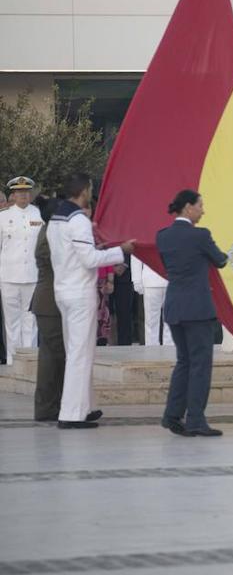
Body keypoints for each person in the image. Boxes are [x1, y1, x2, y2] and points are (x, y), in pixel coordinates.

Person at [48, 173, 136, 429]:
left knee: (78, 350)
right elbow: (89, 260)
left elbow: (77, 255)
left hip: (63, 289)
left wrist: (102, 249)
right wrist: (122, 251)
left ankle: (86, 406)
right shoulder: (77, 221)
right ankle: (71, 414)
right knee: (80, 353)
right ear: (84, 191)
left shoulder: (56, 219)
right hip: (79, 292)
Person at [156, 190, 229, 437]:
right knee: (199, 365)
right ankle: (196, 419)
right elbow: (219, 260)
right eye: (200, 205)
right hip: (198, 309)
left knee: (184, 363)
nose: (203, 210)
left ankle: (172, 415)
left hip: (175, 306)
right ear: (188, 207)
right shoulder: (200, 235)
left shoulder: (163, 236)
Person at [30, 196, 66, 421]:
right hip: (49, 303)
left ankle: (53, 406)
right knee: (52, 357)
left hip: (51, 302)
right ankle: (46, 408)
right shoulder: (48, 237)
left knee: (53, 355)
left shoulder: (51, 233)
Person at [1, 176, 41, 364]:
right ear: (13, 195)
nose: (23, 195)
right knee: (11, 322)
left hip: (32, 275)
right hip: (9, 276)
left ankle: (30, 360)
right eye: (19, 192)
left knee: (31, 321)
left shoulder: (38, 214)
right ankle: (12, 360)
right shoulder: (3, 217)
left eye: (26, 192)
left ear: (30, 194)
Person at [132, 255, 172, 347]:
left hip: (168, 280)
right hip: (154, 280)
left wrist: (137, 281)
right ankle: (152, 350)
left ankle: (168, 350)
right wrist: (137, 281)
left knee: (169, 321)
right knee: (152, 322)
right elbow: (137, 255)